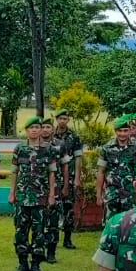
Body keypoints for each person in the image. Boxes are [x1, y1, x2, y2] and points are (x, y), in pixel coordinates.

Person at [11, 118, 56, 271]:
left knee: (39, 231)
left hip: (40, 196)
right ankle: (22, 264)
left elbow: (52, 173)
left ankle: (36, 264)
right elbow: (15, 172)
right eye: (32, 127)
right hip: (22, 196)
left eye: (38, 127)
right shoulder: (19, 149)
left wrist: (51, 194)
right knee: (21, 230)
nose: (35, 130)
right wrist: (12, 192)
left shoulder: (48, 149)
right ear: (27, 130)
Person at [52, 108, 85, 251]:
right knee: (52, 208)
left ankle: (67, 239)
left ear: (68, 120)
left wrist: (77, 177)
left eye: (65, 119)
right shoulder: (49, 135)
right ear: (56, 119)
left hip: (69, 176)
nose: (62, 121)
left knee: (68, 207)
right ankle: (52, 239)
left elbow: (78, 158)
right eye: (60, 118)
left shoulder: (74, 137)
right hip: (53, 176)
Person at [99, 119, 136, 220]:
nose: (122, 134)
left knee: (131, 224)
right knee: (111, 225)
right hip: (112, 194)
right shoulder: (106, 148)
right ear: (115, 131)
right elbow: (101, 172)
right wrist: (98, 195)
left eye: (125, 130)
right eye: (120, 131)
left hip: (130, 194)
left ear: (130, 131)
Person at [38, 117, 63, 263]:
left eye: (48, 127)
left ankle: (51, 252)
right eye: (43, 127)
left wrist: (66, 186)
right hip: (37, 190)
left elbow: (65, 166)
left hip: (55, 187)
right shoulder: (34, 147)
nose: (45, 130)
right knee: (38, 222)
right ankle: (39, 251)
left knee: (53, 222)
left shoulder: (58, 146)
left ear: (52, 129)